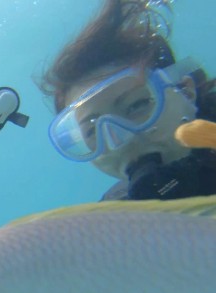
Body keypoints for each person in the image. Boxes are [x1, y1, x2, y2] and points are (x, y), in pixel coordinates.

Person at [40, 0, 216, 201]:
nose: (119, 142)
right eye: (92, 131)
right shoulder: (116, 218)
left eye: (136, 105)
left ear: (185, 91)